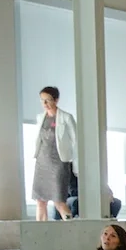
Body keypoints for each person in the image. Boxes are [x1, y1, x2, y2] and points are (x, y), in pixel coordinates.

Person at [30, 86, 77, 220]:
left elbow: (76, 141)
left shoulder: (66, 118)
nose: (45, 103)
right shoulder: (40, 117)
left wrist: (76, 164)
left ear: (56, 100)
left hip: (59, 162)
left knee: (59, 201)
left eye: (48, 100)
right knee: (40, 201)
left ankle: (71, 227)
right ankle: (41, 230)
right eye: (42, 100)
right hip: (42, 161)